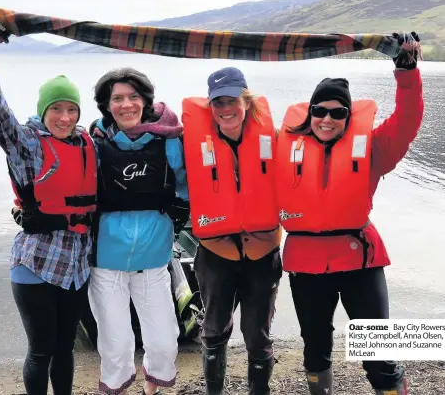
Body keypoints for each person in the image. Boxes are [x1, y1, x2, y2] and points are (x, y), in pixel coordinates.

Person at [276, 32, 423, 395]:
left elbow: (407, 121)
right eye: (319, 111)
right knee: (315, 351)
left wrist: (407, 71)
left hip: (360, 260)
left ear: (347, 115)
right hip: (306, 263)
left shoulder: (373, 150)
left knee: (378, 352)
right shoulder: (284, 150)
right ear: (310, 113)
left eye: (338, 112)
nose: (327, 119)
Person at [0, 22, 97, 395]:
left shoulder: (89, 144)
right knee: (41, 351)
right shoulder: (26, 144)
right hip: (36, 265)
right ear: (44, 110)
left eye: (72, 109)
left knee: (65, 350)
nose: (65, 117)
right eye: (57, 109)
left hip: (76, 267)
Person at [88, 68, 189, 395]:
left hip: (154, 261)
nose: (126, 104)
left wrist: (180, 215)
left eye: (134, 97)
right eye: (117, 98)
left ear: (146, 101)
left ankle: (151, 388)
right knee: (115, 347)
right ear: (106, 105)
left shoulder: (169, 142)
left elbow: (189, 186)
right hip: (106, 264)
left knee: (163, 343)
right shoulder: (94, 144)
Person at [181, 67, 282, 395]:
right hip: (215, 254)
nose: (226, 109)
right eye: (218, 102)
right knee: (212, 331)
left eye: (233, 100)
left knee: (257, 334)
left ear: (247, 101)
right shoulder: (192, 142)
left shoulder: (275, 138)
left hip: (262, 251)